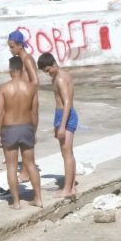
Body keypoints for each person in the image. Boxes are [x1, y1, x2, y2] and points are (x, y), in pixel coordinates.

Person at [0, 56, 42, 210]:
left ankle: (16, 202)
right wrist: (33, 130)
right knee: (31, 164)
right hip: (27, 127)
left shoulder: (4, 88)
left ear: (10, 70)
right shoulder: (31, 88)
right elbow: (34, 112)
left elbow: (0, 113)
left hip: (9, 128)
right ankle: (38, 198)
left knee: (11, 166)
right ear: (22, 69)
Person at [37, 53, 79, 200]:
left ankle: (67, 189)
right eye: (44, 72)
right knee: (68, 153)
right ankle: (71, 186)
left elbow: (67, 102)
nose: (47, 74)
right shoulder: (59, 76)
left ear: (54, 64)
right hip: (62, 115)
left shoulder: (60, 78)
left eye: (48, 70)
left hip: (65, 116)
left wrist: (62, 126)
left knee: (66, 154)